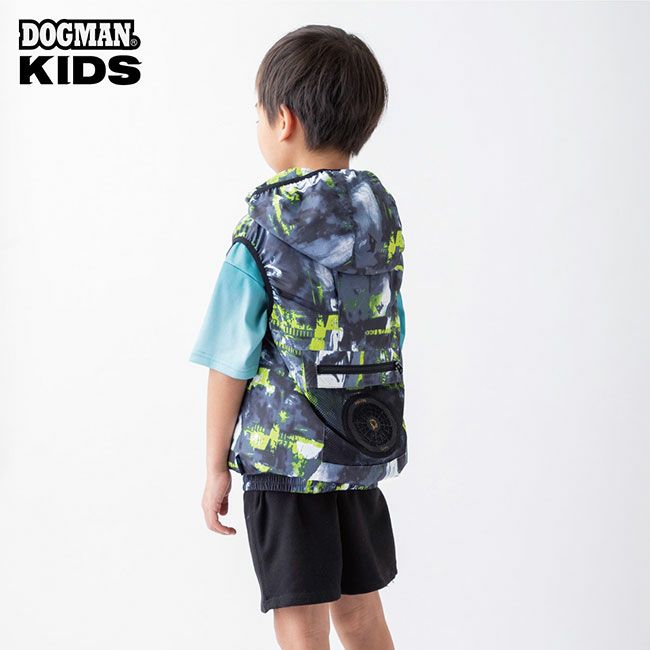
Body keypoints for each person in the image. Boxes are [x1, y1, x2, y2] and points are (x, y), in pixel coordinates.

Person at [189, 24, 407, 650]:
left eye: (258, 111)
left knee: (301, 622)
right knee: (361, 614)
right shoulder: (380, 214)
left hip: (284, 461)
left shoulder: (262, 225)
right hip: (360, 442)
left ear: (282, 119)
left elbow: (229, 358)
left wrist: (215, 466)